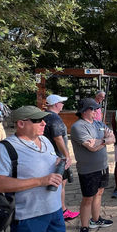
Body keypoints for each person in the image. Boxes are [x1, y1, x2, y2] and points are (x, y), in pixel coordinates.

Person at [0, 105, 92, 232]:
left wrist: (57, 163)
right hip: (27, 212)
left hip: (54, 207)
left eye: (44, 119)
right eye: (37, 120)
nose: (44, 123)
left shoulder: (46, 141)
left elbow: (46, 163)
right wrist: (40, 181)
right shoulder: (4, 148)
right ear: (20, 123)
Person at [70, 98, 115, 232]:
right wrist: (104, 141)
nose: (96, 111)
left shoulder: (98, 124)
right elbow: (91, 147)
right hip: (88, 170)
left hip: (102, 166)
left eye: (96, 109)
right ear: (84, 111)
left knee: (99, 193)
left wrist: (100, 141)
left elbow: (113, 137)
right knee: (87, 198)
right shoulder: (78, 127)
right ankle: (84, 227)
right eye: (93, 109)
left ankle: (96, 220)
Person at [43, 94, 79, 222]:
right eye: (61, 102)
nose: (63, 105)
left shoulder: (43, 117)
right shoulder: (55, 119)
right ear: (56, 104)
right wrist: (67, 156)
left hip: (47, 156)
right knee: (60, 185)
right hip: (58, 157)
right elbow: (58, 138)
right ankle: (62, 210)